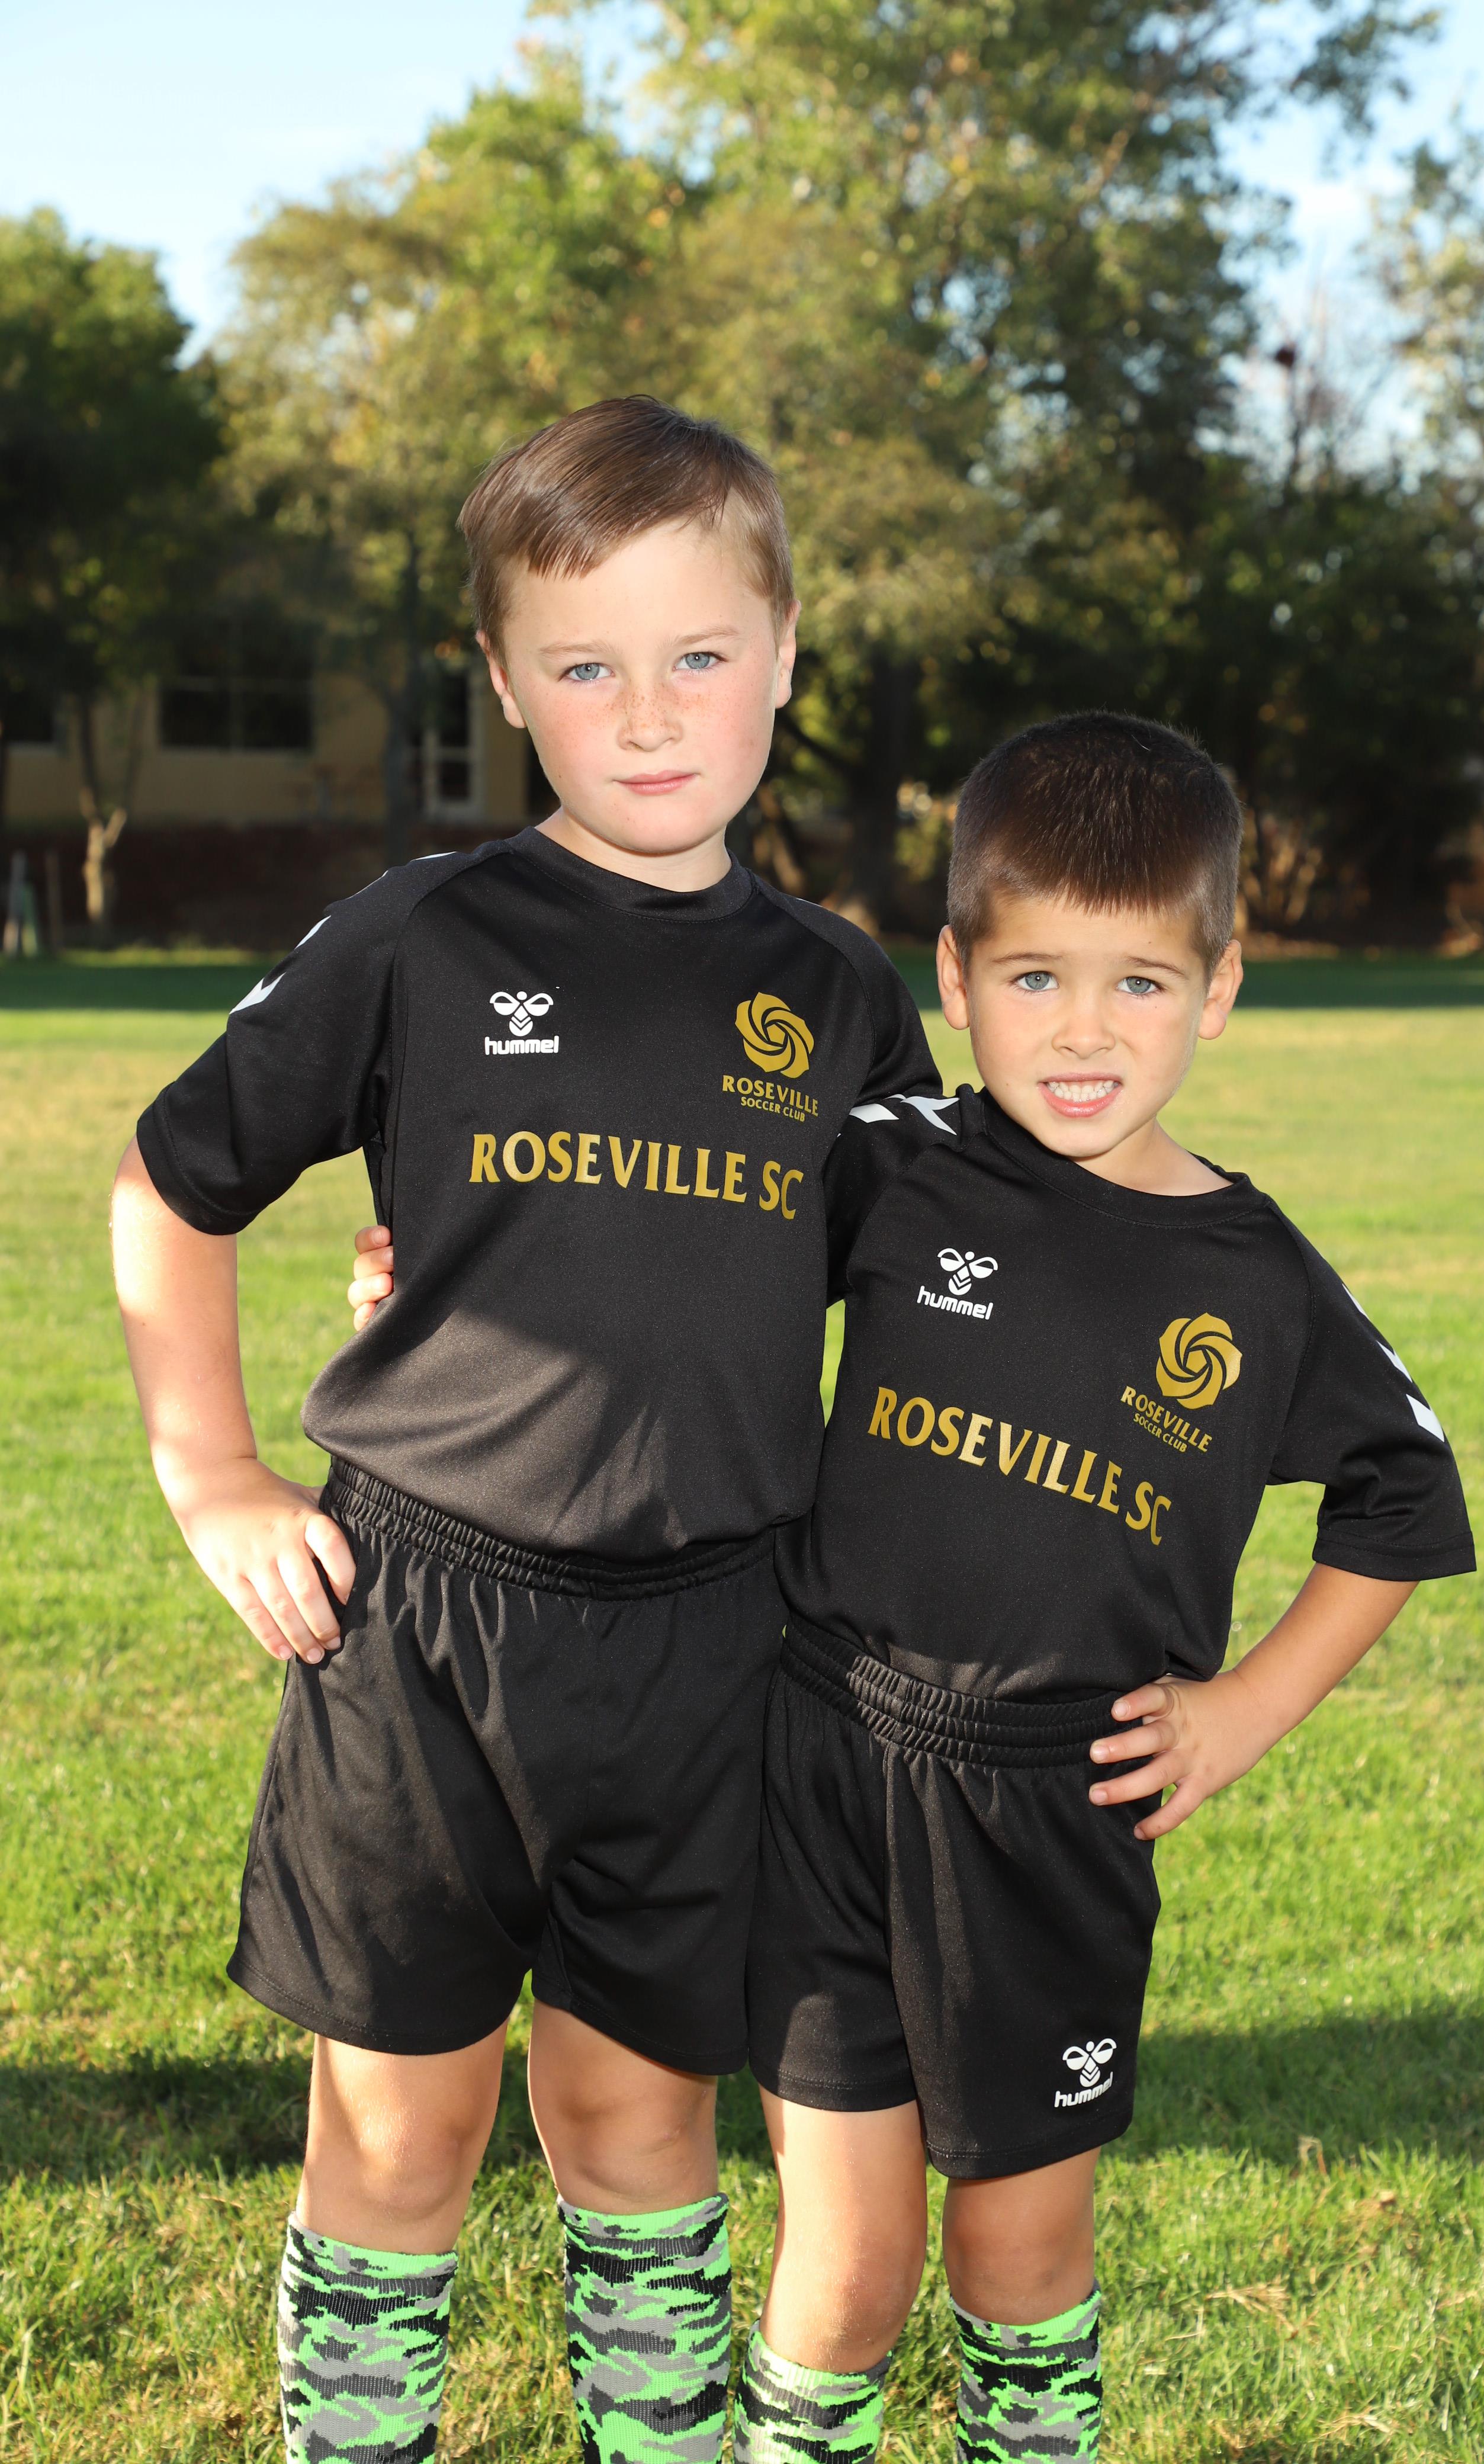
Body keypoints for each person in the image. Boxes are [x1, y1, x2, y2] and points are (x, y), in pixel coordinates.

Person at [111, 394, 938, 2464]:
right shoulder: (425, 933)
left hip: (713, 1639)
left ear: (785, 652)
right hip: (420, 1624)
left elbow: (914, 1306)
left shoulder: (841, 994)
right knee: (403, 2129)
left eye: (699, 653)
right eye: (584, 666)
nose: (648, 714)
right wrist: (214, 1474)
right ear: (500, 683)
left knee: (636, 2119)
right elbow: (170, 1183)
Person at [733, 713, 1475, 2462]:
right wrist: (425, 1274)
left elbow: (1405, 1491)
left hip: (1050, 1815)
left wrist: (1243, 1712)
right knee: (849, 2261)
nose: (1083, 1031)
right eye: (1035, 978)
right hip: (825, 1756)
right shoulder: (893, 1161)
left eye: (1140, 983)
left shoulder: (1258, 1281)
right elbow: (681, 1253)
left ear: (1220, 989)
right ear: (956, 978)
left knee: (1015, 2251)